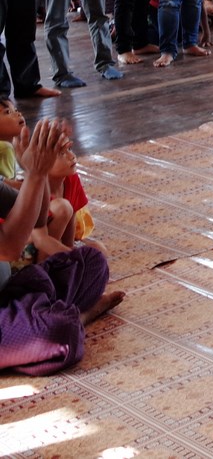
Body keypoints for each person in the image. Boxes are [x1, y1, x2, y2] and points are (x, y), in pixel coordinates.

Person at [0, 117, 122, 374]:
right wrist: (34, 175)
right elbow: (9, 248)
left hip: (10, 291)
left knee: (92, 262)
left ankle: (47, 312)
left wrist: (38, 172)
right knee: (58, 334)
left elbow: (41, 218)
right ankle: (77, 317)